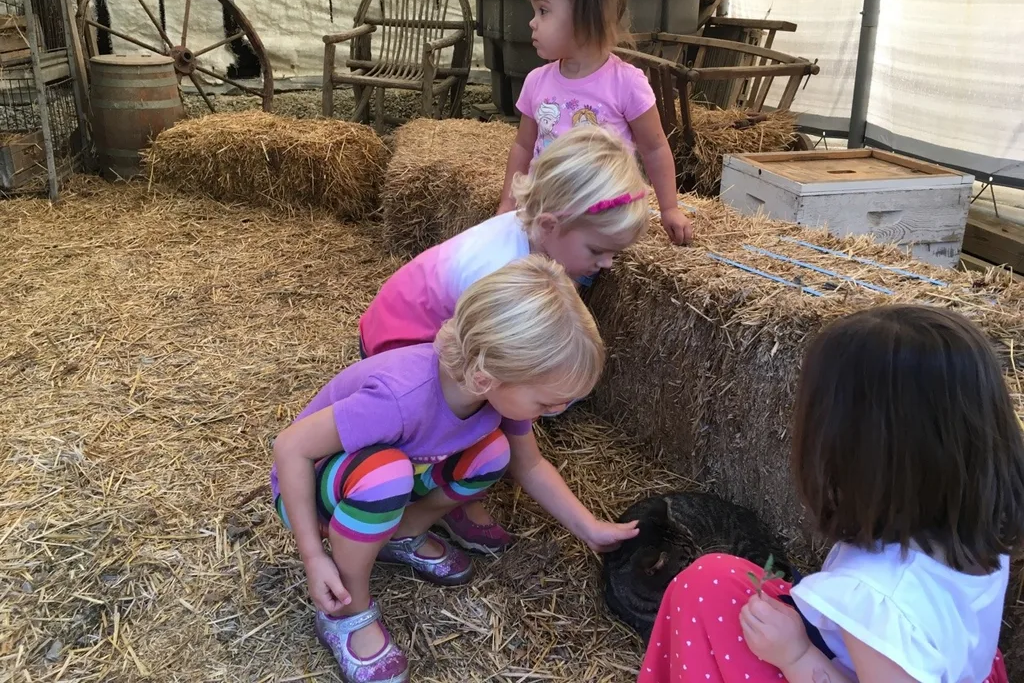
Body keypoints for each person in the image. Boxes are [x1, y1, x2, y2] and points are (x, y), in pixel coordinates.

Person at [273, 255, 639, 683]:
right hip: (317, 492)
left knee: (493, 453)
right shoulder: (399, 397)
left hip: (395, 476)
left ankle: (402, 532)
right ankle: (346, 610)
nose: (557, 411)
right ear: (487, 377)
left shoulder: (493, 389)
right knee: (385, 475)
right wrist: (313, 556)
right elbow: (290, 448)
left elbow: (530, 464)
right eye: (547, 402)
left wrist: (590, 528)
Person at [636, 305, 1024, 682]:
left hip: (856, 663)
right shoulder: (976, 516)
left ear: (860, 458)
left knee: (701, 594)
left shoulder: (878, 599)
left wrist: (796, 655)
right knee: (713, 581)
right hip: (947, 663)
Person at [359, 125, 650, 553]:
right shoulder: (498, 272)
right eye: (597, 250)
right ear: (550, 224)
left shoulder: (530, 234)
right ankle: (440, 483)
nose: (606, 264)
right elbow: (514, 424)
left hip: (438, 337)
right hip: (399, 350)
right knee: (493, 423)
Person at [495, 0, 693, 247]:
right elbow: (523, 146)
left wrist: (669, 208)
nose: (532, 22)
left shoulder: (626, 83)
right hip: (543, 213)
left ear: (586, 18)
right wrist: (508, 204)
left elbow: (654, 148)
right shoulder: (537, 82)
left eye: (543, 11)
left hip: (598, 219)